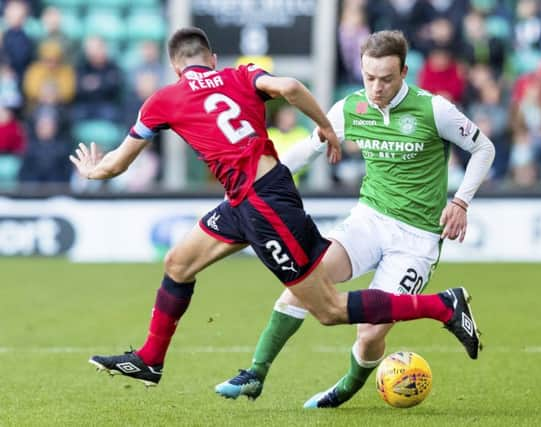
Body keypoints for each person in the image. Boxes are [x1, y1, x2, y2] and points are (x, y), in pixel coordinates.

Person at [69, 27, 481, 388]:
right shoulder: (242, 73)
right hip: (249, 197)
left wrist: (92, 171)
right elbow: (291, 89)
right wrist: (324, 126)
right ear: (212, 60)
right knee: (178, 263)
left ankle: (442, 305)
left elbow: (118, 163)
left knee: (330, 310)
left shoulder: (163, 99)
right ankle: (150, 359)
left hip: (262, 204)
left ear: (175, 67)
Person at [215, 30, 494, 408]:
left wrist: (460, 202)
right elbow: (305, 151)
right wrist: (254, 186)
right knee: (304, 281)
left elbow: (483, 147)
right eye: (369, 77)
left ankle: (345, 388)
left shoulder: (434, 110)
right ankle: (255, 373)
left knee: (369, 333)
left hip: (417, 238)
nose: (376, 88)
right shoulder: (350, 108)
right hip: (368, 221)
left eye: (386, 79)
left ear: (405, 72)